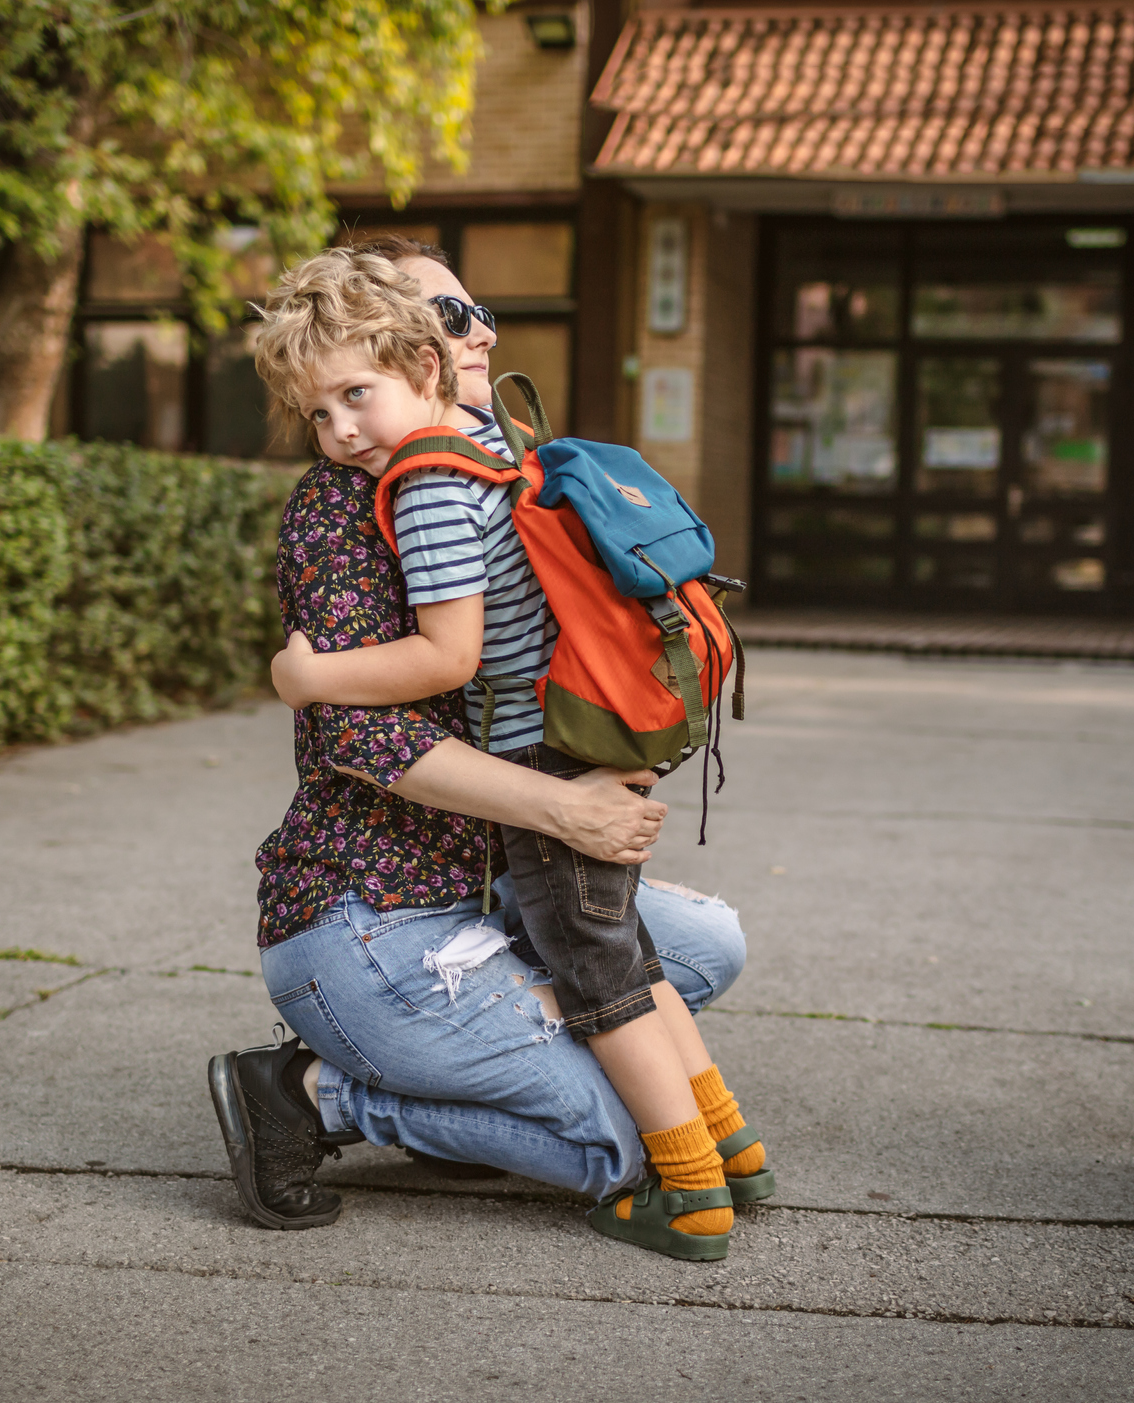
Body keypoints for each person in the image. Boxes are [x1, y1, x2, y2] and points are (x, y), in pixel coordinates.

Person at [207, 245, 767, 1261]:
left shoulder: (483, 457)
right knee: (613, 1135)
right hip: (373, 913)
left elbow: (523, 636)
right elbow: (372, 723)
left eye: (477, 310)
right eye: (454, 311)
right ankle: (308, 1091)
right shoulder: (357, 500)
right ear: (416, 342)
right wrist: (563, 804)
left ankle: (527, 1062)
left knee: (681, 955)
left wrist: (601, 755)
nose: (482, 331)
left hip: (488, 879)